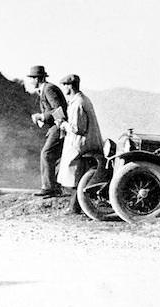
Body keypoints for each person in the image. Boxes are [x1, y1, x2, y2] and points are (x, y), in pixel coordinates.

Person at [56, 74, 103, 213]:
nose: (63, 88)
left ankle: (75, 207)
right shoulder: (80, 100)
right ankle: (75, 206)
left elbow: (78, 128)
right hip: (85, 141)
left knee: (75, 174)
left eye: (64, 85)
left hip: (82, 143)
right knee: (76, 176)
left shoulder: (78, 103)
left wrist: (63, 124)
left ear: (70, 86)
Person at [27, 65, 68, 197]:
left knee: (46, 154)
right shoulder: (45, 89)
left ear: (38, 78)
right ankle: (54, 187)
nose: (31, 81)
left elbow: (59, 110)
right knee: (52, 156)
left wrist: (41, 116)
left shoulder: (49, 89)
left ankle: (49, 188)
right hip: (55, 127)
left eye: (32, 78)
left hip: (58, 127)